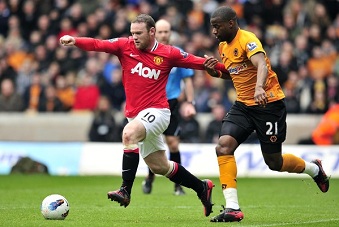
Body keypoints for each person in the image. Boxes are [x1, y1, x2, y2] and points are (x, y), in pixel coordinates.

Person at [60, 14, 228, 217]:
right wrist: (75, 40)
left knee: (128, 134)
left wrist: (231, 71)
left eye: (138, 33)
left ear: (152, 32)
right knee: (160, 166)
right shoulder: (125, 46)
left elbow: (199, 63)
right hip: (137, 116)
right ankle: (202, 187)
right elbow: (98, 44)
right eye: (132, 33)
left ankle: (125, 190)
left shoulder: (169, 53)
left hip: (158, 112)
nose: (134, 37)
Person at [203, 6, 330, 222]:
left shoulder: (248, 39)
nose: (214, 31)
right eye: (212, 27)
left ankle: (314, 170)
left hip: (268, 104)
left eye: (217, 26)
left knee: (274, 162)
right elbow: (234, 74)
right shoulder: (223, 45)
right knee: (223, 146)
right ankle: (233, 207)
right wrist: (214, 72)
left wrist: (259, 87)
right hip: (244, 105)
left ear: (231, 23)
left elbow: (260, 64)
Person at [142, 19, 196, 196]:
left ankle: (178, 185)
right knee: (154, 146)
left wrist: (190, 102)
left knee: (173, 144)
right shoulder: (146, 53)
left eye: (167, 32)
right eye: (160, 32)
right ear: (153, 33)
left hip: (171, 104)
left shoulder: (177, 53)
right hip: (151, 104)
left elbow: (187, 80)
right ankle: (149, 179)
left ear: (170, 33)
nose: (164, 35)